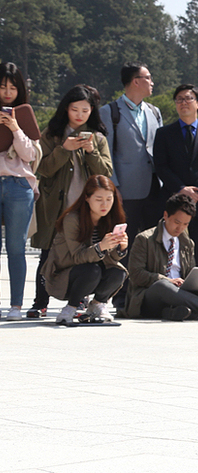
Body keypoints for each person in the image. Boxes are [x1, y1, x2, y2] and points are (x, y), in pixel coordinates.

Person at [31, 85, 113, 319]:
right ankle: (40, 303)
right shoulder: (52, 134)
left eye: (85, 110)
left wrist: (91, 152)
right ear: (66, 109)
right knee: (47, 256)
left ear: (92, 112)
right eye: (74, 109)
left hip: (86, 211)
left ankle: (79, 301)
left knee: (86, 252)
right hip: (54, 208)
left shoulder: (97, 137)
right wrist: (63, 149)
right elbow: (42, 169)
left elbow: (106, 173)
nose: (79, 115)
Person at [101, 61, 162, 312]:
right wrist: (114, 188)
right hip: (125, 189)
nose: (152, 82)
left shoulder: (154, 111)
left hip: (154, 188)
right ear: (135, 81)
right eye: (148, 78)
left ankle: (149, 295)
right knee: (123, 244)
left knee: (151, 243)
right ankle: (120, 297)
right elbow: (107, 154)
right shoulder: (110, 112)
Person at [126, 193, 198, 321]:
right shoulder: (144, 239)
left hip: (181, 294)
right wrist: (166, 280)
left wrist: (197, 283)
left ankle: (173, 313)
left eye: (185, 224)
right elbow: (135, 274)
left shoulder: (187, 243)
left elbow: (189, 273)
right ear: (166, 215)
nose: (180, 228)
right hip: (151, 295)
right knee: (163, 286)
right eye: (177, 222)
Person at [41, 175, 128, 325]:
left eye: (109, 199)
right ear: (87, 198)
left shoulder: (111, 218)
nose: (104, 204)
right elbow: (77, 256)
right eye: (99, 199)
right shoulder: (72, 219)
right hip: (65, 275)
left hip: (94, 270)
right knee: (92, 270)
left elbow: (110, 259)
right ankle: (70, 308)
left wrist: (121, 248)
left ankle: (97, 304)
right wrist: (101, 246)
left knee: (118, 272)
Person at [153, 84, 198, 268]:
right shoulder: (163, 134)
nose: (184, 102)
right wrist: (181, 190)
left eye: (188, 98)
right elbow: (161, 166)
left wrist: (197, 192)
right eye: (179, 99)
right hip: (173, 201)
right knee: (171, 249)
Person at [0, 62, 41, 321]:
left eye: (13, 87)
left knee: (16, 248)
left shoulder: (25, 116)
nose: (7, 91)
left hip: (18, 185)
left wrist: (15, 128)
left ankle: (16, 305)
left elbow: (29, 155)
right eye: (3, 86)